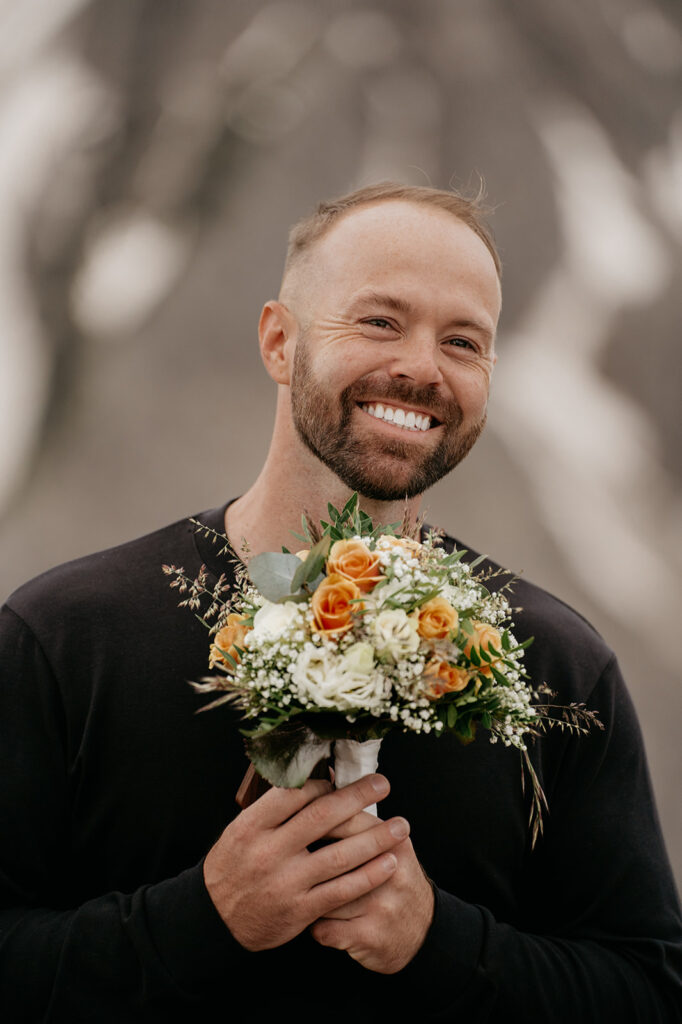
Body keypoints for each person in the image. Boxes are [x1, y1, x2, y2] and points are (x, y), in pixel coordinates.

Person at [1, 183, 681, 1023]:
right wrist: (198, 924)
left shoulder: (558, 667)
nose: (423, 369)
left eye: (463, 341)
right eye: (380, 322)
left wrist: (442, 945)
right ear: (280, 342)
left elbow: (651, 995)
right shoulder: (63, 636)